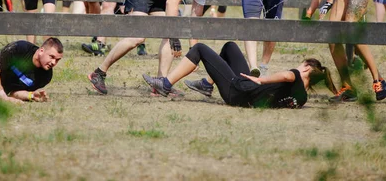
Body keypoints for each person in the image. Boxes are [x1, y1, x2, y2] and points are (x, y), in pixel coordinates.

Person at [88, 0, 232, 95]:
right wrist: (173, 33)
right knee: (137, 38)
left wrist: (193, 50)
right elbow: (172, 2)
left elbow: (196, 16)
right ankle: (99, 72)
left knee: (169, 38)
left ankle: (161, 84)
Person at [143, 42, 336, 108]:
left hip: (237, 91)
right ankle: (207, 85)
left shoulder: (295, 75)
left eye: (300, 64)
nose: (297, 66)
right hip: (248, 92)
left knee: (200, 48)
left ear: (306, 69)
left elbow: (287, 76)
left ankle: (165, 84)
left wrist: (260, 79)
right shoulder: (301, 98)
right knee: (230, 47)